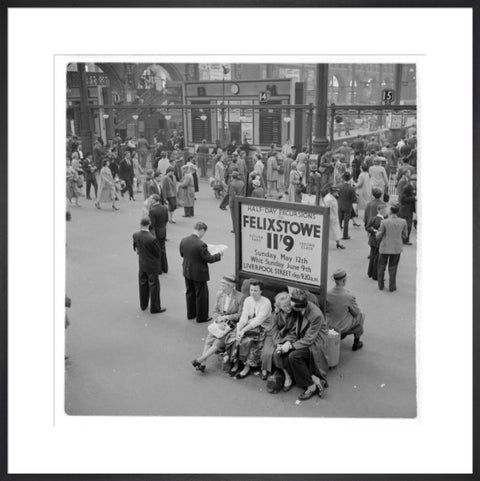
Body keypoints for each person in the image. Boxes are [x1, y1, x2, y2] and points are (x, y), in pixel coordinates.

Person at [272, 288, 329, 400]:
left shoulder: (315, 315)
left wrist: (290, 346)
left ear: (299, 307)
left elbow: (309, 340)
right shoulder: (299, 307)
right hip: (301, 339)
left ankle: (311, 387)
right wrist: (286, 343)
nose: (290, 306)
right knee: (285, 355)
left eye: (292, 305)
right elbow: (293, 330)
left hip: (315, 343)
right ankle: (315, 380)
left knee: (292, 356)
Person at [191, 275, 245, 372]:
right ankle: (202, 363)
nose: (222, 288)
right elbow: (215, 311)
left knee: (217, 343)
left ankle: (200, 360)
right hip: (219, 322)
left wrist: (226, 318)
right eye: (221, 286)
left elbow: (239, 315)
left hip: (231, 325)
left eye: (224, 286)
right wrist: (218, 320)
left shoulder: (240, 297)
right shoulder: (219, 294)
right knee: (208, 340)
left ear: (231, 286)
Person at [224, 280, 272, 379]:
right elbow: (244, 317)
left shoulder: (266, 302)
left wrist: (243, 331)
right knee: (234, 337)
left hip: (261, 327)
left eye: (255, 290)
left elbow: (258, 321)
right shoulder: (248, 300)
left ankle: (247, 367)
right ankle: (236, 363)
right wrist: (239, 329)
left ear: (261, 291)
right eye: (251, 290)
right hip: (247, 325)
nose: (253, 293)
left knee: (248, 341)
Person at [179, 222, 223, 323]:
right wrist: (219, 254)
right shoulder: (201, 244)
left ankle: (191, 314)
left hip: (187, 270)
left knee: (190, 292)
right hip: (199, 273)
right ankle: (202, 317)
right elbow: (209, 259)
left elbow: (182, 254)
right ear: (202, 230)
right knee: (201, 295)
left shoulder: (184, 240)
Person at [132, 217, 166, 314]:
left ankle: (143, 305)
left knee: (142, 284)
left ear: (140, 224)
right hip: (152, 265)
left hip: (142, 263)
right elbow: (158, 253)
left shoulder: (135, 235)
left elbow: (135, 248)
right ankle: (155, 307)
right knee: (154, 286)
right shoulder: (152, 238)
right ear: (149, 224)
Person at [326, 269, 365, 351]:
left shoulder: (327, 294)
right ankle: (356, 342)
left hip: (329, 323)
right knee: (360, 316)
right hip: (342, 326)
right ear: (344, 281)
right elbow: (356, 312)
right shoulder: (348, 296)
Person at [261, 291, 295, 380]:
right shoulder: (276, 314)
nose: (288, 308)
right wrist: (277, 342)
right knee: (266, 352)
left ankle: (285, 374)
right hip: (275, 336)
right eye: (284, 306)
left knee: (278, 353)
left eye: (288, 304)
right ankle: (266, 369)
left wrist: (284, 342)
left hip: (288, 337)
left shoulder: (295, 314)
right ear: (279, 307)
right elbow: (274, 329)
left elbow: (294, 331)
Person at [376, 204, 408, 292]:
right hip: (396, 247)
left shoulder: (384, 222)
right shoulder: (403, 221)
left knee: (381, 266)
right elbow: (405, 235)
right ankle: (392, 286)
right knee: (393, 267)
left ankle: (381, 285)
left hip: (385, 247)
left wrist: (376, 234)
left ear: (390, 211)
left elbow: (379, 235)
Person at [365, 203, 387, 280]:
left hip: (372, 240)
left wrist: (373, 231)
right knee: (377, 259)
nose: (385, 211)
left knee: (372, 257)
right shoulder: (383, 221)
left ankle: (370, 272)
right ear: (380, 210)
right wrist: (376, 231)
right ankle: (375, 275)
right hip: (378, 241)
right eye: (384, 210)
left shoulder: (372, 218)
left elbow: (367, 227)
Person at [148, 194, 169, 273]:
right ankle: (165, 268)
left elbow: (152, 225)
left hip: (156, 232)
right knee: (163, 249)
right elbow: (166, 220)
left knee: (157, 251)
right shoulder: (164, 208)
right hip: (163, 231)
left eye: (151, 199)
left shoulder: (152, 210)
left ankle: (159, 269)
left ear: (154, 200)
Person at [321, 183, 345, 249]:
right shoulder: (328, 199)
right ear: (332, 192)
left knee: (335, 231)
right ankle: (337, 244)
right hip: (330, 218)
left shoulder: (331, 196)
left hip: (333, 217)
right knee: (330, 232)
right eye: (336, 191)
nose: (337, 192)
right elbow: (325, 208)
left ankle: (338, 243)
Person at [337, 172, 357, 241]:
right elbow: (354, 199)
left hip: (340, 205)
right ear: (350, 179)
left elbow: (336, 195)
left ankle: (338, 234)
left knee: (339, 220)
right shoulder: (351, 189)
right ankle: (345, 235)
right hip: (348, 206)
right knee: (346, 222)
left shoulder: (339, 186)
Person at [398, 180, 416, 245]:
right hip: (406, 211)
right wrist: (413, 198)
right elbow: (404, 199)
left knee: (407, 225)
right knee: (408, 225)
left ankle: (405, 239)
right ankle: (405, 239)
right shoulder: (407, 189)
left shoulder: (407, 188)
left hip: (407, 210)